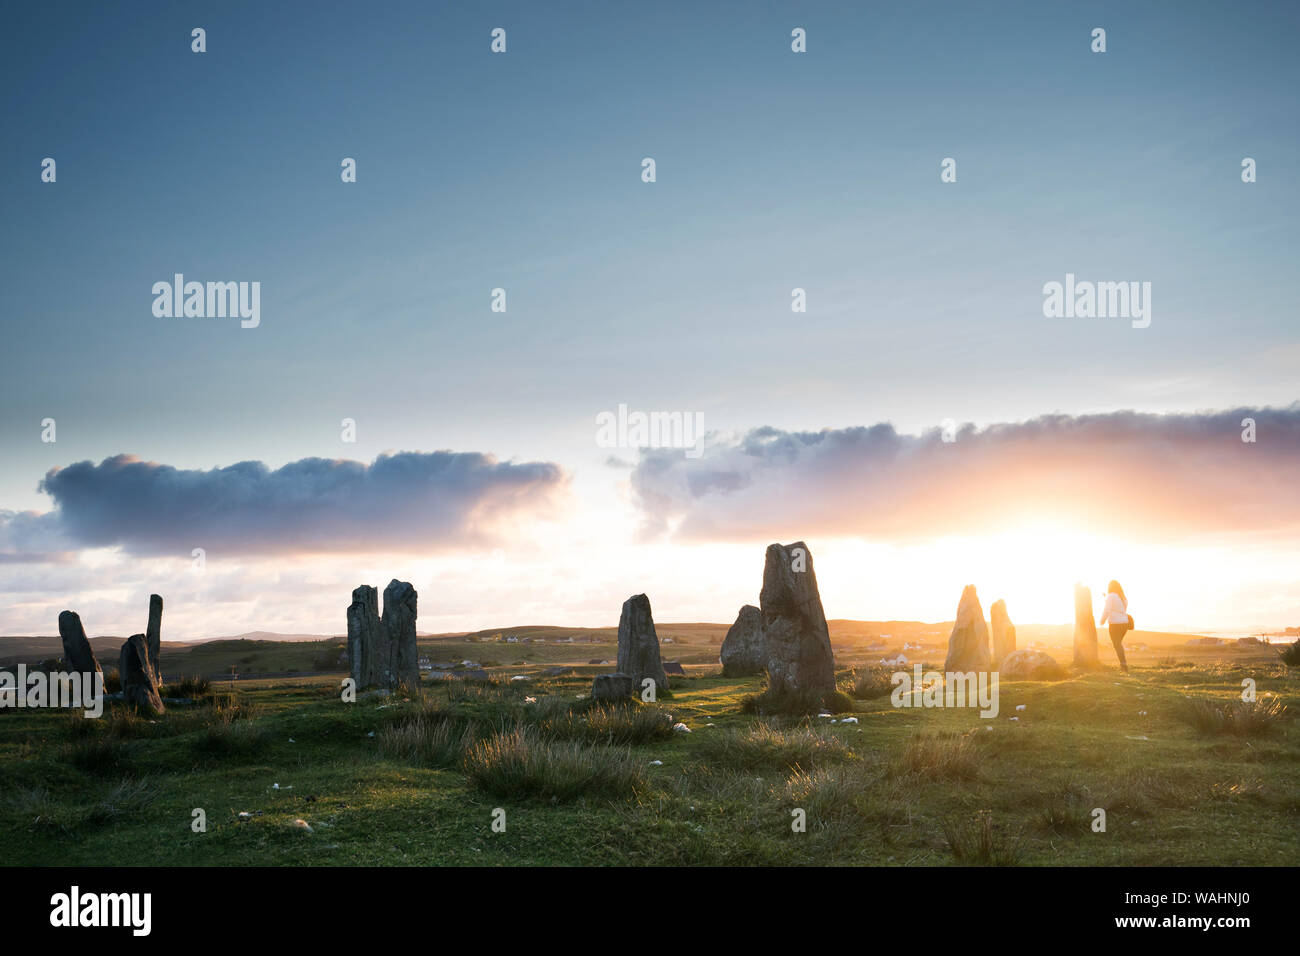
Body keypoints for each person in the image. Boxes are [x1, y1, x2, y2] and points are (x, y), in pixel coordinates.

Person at [1099, 580, 1131, 672]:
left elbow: (1107, 609)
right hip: (1124, 624)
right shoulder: (1122, 597)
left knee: (1117, 645)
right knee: (1118, 644)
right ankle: (1123, 664)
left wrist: (1102, 621)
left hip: (1115, 624)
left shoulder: (1111, 596)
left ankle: (1124, 666)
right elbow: (1118, 607)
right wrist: (1106, 598)